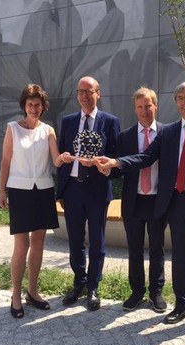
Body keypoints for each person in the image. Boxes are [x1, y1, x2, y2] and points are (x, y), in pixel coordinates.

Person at [96, 81, 185, 337]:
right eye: (179, 97)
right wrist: (116, 162)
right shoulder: (168, 134)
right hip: (176, 204)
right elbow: (146, 157)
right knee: (179, 257)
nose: (183, 102)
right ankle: (182, 304)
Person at [0, 84, 74, 319]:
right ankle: (16, 295)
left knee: (39, 243)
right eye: (30, 104)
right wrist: (1, 191)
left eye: (38, 105)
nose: (34, 108)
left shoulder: (48, 131)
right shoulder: (13, 128)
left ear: (43, 107)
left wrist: (63, 157)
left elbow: (55, 160)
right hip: (19, 191)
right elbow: (6, 162)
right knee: (22, 245)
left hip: (43, 190)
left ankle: (33, 291)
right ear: (24, 105)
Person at [57, 76, 121, 311]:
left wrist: (107, 167)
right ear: (77, 95)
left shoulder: (110, 122)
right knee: (75, 240)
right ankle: (79, 283)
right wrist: (62, 189)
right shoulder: (68, 121)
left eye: (89, 91)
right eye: (81, 91)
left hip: (97, 190)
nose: (85, 95)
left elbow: (117, 158)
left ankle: (94, 286)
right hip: (73, 189)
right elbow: (63, 156)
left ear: (98, 94)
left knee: (97, 240)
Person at [112, 87, 167, 312]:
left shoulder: (168, 133)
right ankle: (137, 291)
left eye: (148, 106)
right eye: (140, 107)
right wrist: (102, 167)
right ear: (135, 110)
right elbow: (117, 170)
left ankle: (156, 292)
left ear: (156, 106)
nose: (145, 111)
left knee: (157, 248)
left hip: (157, 200)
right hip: (133, 201)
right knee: (134, 249)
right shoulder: (125, 137)